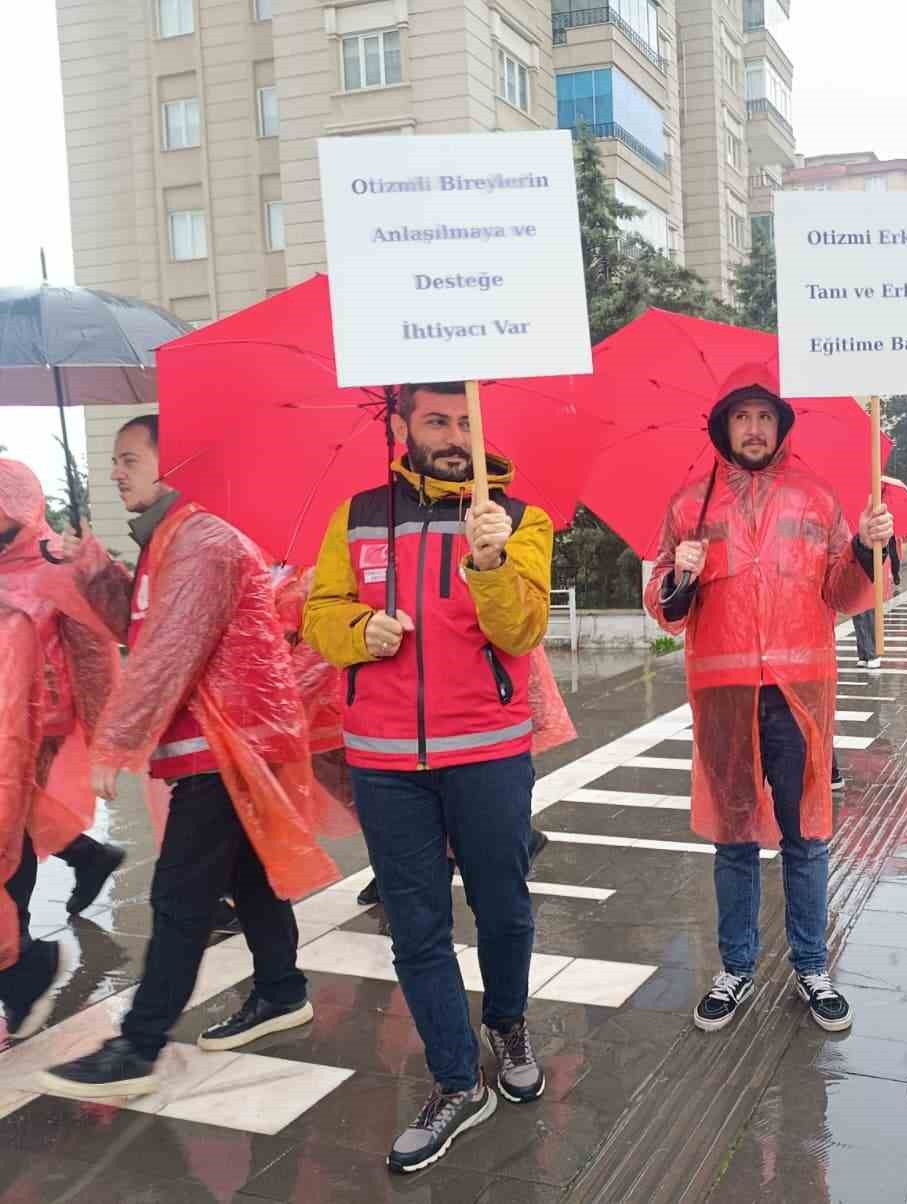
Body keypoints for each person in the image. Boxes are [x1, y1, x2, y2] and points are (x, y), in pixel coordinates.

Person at [39, 415, 338, 1097]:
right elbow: (138, 625)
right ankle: (282, 991)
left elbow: (171, 649)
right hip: (223, 741)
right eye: (114, 461)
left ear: (174, 466)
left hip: (227, 744)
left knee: (180, 895)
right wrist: (88, 563)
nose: (116, 473)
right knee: (248, 875)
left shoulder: (202, 539)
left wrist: (114, 743)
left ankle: (138, 1046)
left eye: (129, 459)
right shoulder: (169, 541)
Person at [300, 381, 553, 1174]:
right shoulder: (358, 515)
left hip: (487, 750)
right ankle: (454, 1081)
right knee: (416, 930)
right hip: (384, 760)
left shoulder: (518, 519)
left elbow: (522, 628)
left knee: (504, 910)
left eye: (465, 422)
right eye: (437, 420)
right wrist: (356, 629)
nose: (453, 435)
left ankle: (507, 1023)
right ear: (403, 426)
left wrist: (489, 563)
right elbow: (319, 611)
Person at [645, 370, 893, 1035]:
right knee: (733, 838)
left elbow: (845, 591)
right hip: (724, 694)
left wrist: (871, 548)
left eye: (764, 417)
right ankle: (735, 968)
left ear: (781, 427)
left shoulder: (816, 499)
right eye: (740, 418)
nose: (753, 429)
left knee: (806, 835)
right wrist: (681, 577)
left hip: (798, 692)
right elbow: (662, 604)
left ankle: (812, 965)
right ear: (723, 427)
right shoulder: (688, 506)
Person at [0, 460, 125, 1042]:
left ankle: (18, 957)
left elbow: (96, 649)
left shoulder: (56, 559)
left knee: (13, 832)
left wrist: (108, 738)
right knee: (16, 822)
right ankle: (21, 955)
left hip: (38, 720)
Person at [850, 536, 899, 668]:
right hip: (854, 573)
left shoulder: (880, 526)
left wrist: (895, 572)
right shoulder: (850, 530)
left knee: (870, 615)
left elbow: (891, 550)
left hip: (872, 574)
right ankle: (863, 654)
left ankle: (873, 654)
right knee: (858, 615)